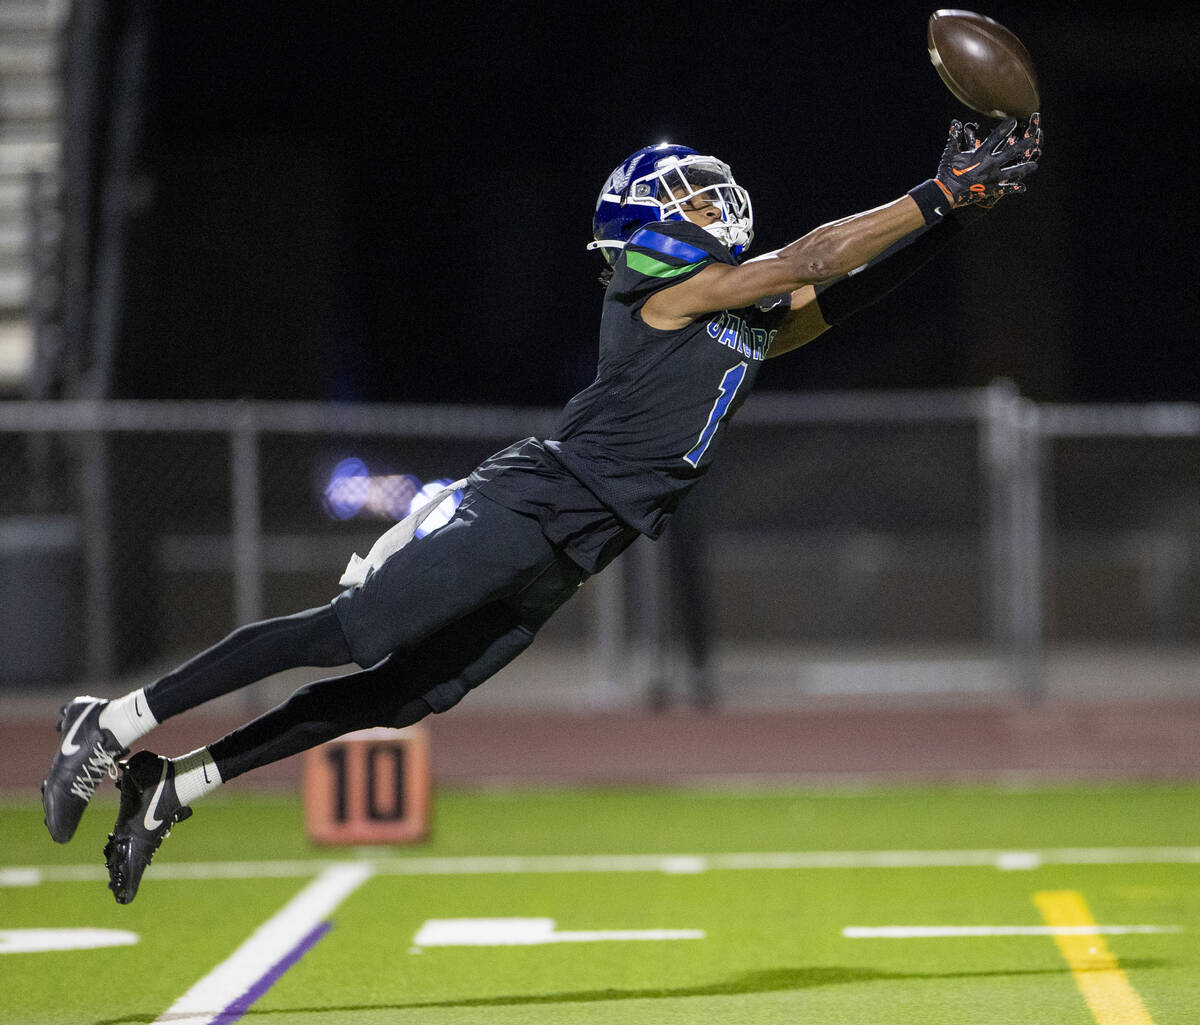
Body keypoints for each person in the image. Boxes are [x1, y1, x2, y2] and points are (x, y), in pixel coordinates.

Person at [41, 114, 1041, 904]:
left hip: (573, 544)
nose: (706, 207)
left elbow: (841, 292)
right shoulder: (668, 298)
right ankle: (117, 716)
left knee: (399, 697)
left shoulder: (734, 318)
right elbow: (817, 256)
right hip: (528, 504)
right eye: (685, 199)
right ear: (644, 226)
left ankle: (178, 783)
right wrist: (940, 188)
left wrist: (956, 218)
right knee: (348, 633)